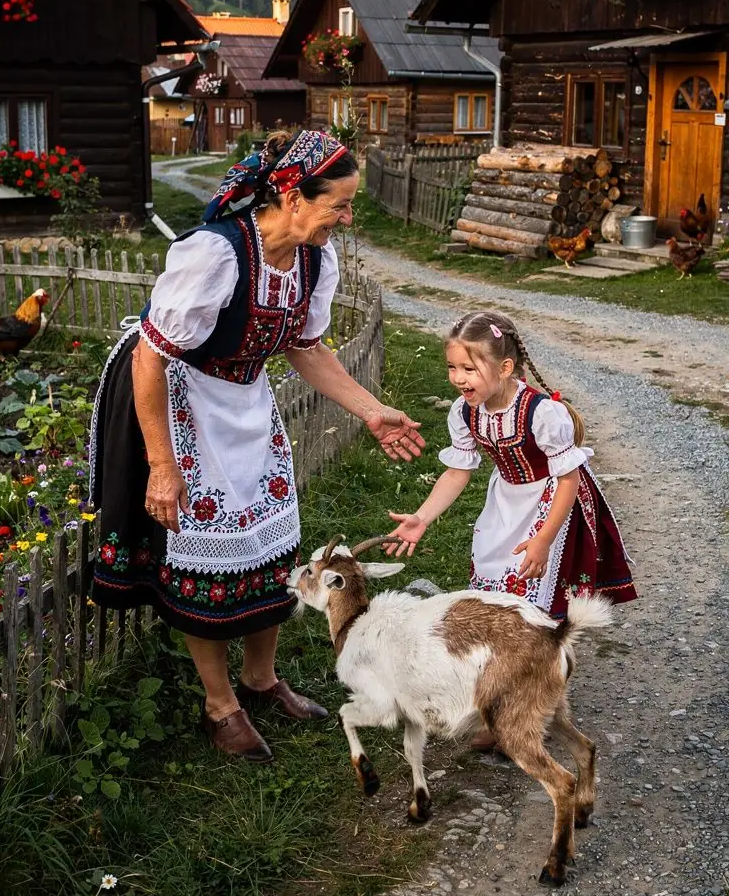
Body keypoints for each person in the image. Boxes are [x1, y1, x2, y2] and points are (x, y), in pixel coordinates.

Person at [90, 129, 424, 763]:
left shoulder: (312, 260)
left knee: (272, 541)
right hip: (181, 399)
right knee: (201, 561)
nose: (348, 219)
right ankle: (221, 706)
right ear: (294, 196)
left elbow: (304, 347)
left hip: (245, 399)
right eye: (341, 205)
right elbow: (149, 359)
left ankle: (261, 678)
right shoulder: (215, 254)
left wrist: (374, 412)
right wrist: (162, 466)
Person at [384, 308, 636, 618]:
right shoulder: (464, 412)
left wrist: (544, 538)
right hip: (506, 498)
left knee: (537, 586)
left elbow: (569, 480)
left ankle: (543, 653)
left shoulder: (542, 413)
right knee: (495, 569)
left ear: (505, 367)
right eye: (452, 367)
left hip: (554, 498)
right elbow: (456, 473)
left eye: (469, 368)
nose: (458, 378)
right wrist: (422, 518)